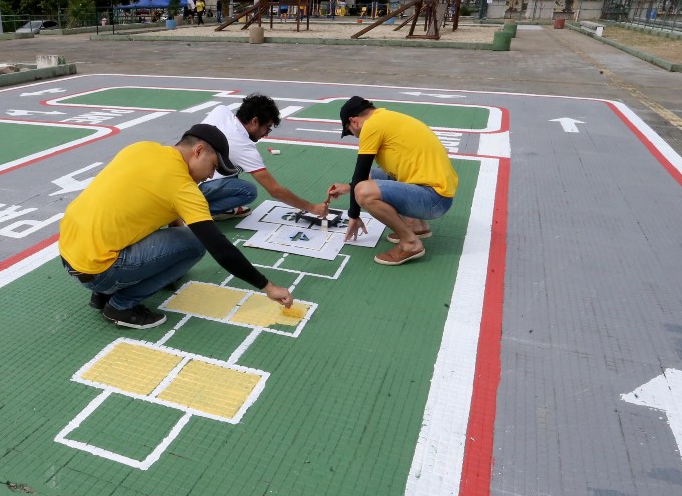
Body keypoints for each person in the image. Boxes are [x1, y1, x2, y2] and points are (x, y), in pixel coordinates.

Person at [59, 124, 294, 329]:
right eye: (213, 166)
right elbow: (220, 249)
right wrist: (268, 287)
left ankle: (101, 295)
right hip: (100, 270)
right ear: (198, 150)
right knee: (195, 243)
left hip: (70, 252)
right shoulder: (182, 187)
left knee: (144, 225)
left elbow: (148, 206)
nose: (211, 174)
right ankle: (121, 305)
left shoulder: (143, 147)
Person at [326, 96, 459, 266]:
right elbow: (366, 176)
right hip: (438, 193)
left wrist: (354, 215)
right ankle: (417, 227)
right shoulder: (386, 118)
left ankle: (410, 244)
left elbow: (360, 175)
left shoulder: (371, 126)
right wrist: (347, 188)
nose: (356, 136)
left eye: (351, 132)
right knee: (371, 177)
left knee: (363, 191)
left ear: (354, 121)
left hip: (434, 200)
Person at [197, 93, 328, 220]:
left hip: (183, 177)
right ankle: (195, 211)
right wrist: (312, 207)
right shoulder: (244, 146)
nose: (267, 134)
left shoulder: (221, 111)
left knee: (231, 170)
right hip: (196, 189)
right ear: (254, 121)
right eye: (267, 128)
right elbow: (275, 190)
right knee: (248, 191)